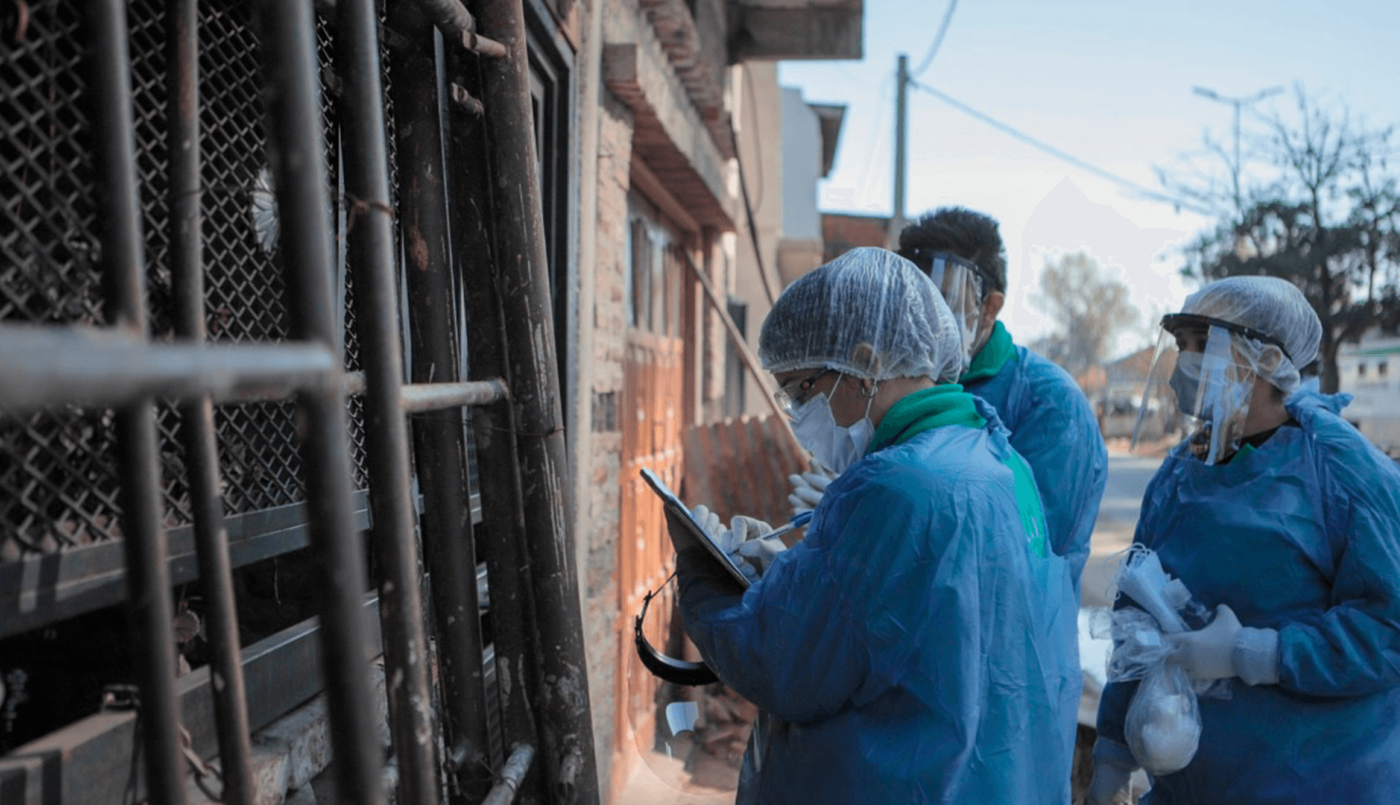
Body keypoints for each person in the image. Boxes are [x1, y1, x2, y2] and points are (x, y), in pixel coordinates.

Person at [670, 247, 1075, 804]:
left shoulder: (893, 488)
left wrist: (701, 574)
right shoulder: (1001, 461)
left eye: (801, 391)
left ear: (861, 364)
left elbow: (784, 662)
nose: (797, 416)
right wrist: (794, 575)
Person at [1089, 275, 1400, 804]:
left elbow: (1389, 627)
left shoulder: (1340, 470)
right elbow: (1134, 623)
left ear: (1265, 360)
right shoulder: (1181, 473)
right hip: (1193, 780)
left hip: (1322, 781)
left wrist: (1254, 653)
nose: (1184, 366)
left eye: (1200, 346)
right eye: (1181, 346)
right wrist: (1114, 751)